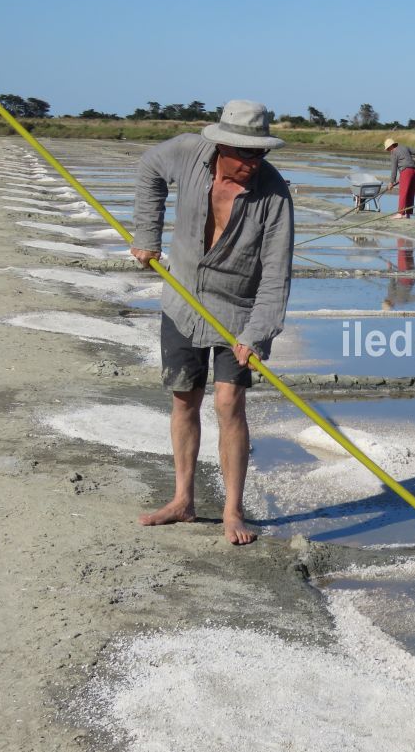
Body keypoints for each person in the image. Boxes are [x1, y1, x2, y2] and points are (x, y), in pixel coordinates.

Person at [131, 100, 294, 545]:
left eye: (260, 154)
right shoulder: (186, 152)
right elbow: (149, 168)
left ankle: (232, 510)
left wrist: (257, 336)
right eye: (245, 153)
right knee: (184, 397)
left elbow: (277, 272)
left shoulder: (274, 195)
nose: (253, 163)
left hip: (239, 313)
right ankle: (183, 500)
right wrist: (147, 235)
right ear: (222, 145)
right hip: (182, 298)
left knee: (229, 405)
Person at [384, 137, 415, 219]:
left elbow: (393, 169)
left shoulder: (394, 152)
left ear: (391, 146)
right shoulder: (405, 147)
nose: (388, 151)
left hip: (406, 172)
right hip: (414, 172)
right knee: (410, 193)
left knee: (403, 193)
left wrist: (391, 182)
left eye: (388, 149)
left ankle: (400, 213)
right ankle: (408, 213)